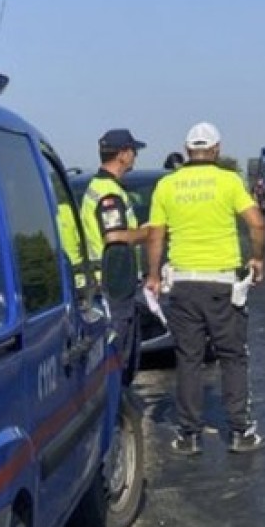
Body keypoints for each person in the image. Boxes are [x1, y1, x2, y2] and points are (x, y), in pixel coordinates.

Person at [145, 122, 265, 455]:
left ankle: (189, 435)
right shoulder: (229, 181)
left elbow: (156, 234)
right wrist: (256, 258)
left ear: (187, 151)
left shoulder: (167, 185)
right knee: (232, 356)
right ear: (216, 150)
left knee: (189, 358)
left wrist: (153, 276)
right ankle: (240, 431)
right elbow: (256, 223)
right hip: (222, 284)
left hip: (183, 284)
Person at [82, 128, 151, 385]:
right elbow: (114, 236)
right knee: (117, 360)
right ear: (122, 154)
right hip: (114, 286)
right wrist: (148, 233)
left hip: (107, 284)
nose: (135, 156)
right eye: (133, 151)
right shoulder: (109, 194)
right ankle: (116, 415)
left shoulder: (98, 187)